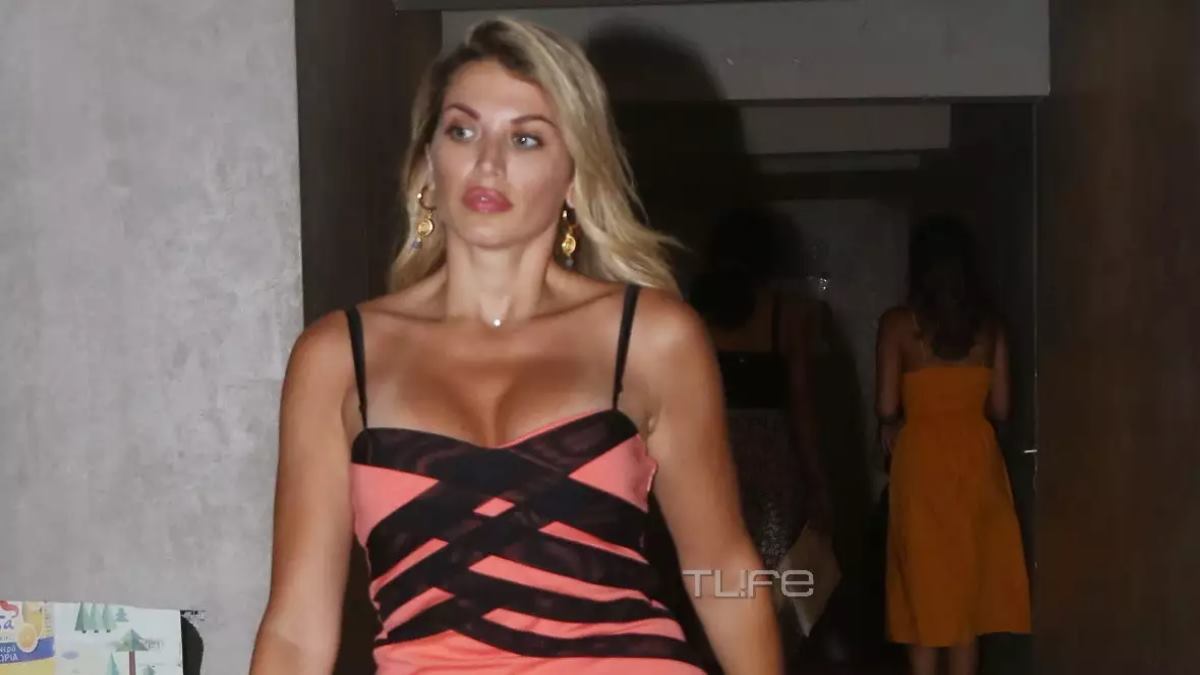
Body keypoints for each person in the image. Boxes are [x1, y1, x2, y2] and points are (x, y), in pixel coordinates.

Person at [249, 17, 781, 675]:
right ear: (427, 165)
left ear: (573, 176)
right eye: (462, 131)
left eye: (525, 138)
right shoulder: (338, 357)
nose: (488, 162)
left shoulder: (651, 338)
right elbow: (296, 629)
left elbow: (723, 570)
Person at [874, 216, 1031, 675]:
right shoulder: (991, 328)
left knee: (923, 600)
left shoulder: (898, 325)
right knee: (966, 607)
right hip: (976, 461)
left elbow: (886, 404)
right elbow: (1001, 407)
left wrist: (892, 423)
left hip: (921, 462)